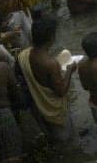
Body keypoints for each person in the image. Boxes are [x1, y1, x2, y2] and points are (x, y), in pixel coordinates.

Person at [18, 15, 74, 144]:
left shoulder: (23, 55)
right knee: (67, 141)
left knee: (51, 137)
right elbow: (61, 91)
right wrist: (69, 71)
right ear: (51, 37)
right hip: (53, 110)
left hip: (37, 107)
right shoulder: (50, 63)